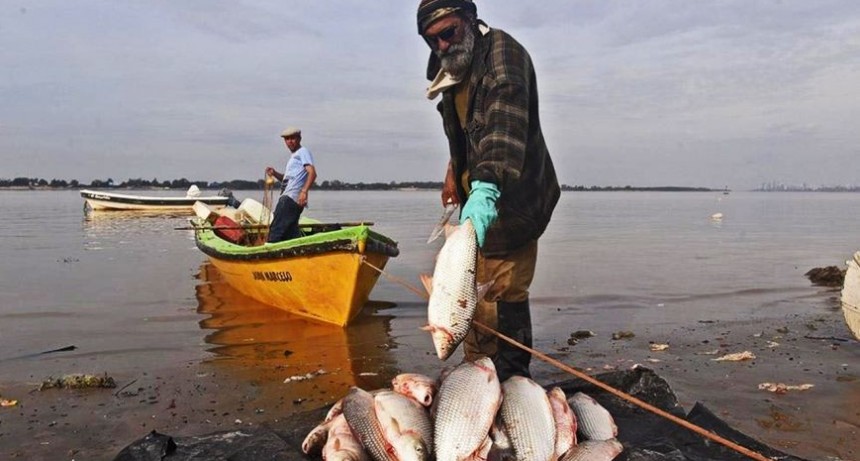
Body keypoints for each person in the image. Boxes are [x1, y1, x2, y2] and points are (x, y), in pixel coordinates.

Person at [417, 0, 560, 382]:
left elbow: (501, 130)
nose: (442, 46)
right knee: (472, 299)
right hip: (474, 197)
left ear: (468, 19)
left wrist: (484, 191)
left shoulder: (504, 58)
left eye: (448, 33)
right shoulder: (449, 66)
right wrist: (454, 172)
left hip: (515, 201)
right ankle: (479, 373)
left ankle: (513, 380)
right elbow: (465, 129)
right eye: (433, 41)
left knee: (503, 293)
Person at [265, 127, 317, 243]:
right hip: (291, 199)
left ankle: (267, 257)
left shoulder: (302, 152)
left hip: (289, 199)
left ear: (299, 138)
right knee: (290, 234)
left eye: (293, 138)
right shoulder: (294, 157)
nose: (290, 141)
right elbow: (286, 180)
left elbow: (312, 173)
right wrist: (274, 173)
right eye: (287, 139)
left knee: (275, 232)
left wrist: (304, 192)